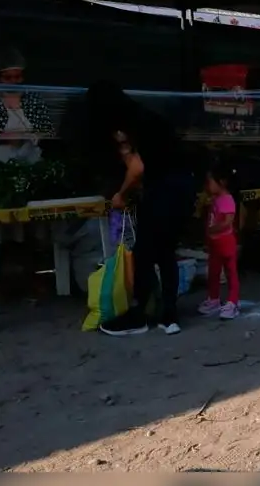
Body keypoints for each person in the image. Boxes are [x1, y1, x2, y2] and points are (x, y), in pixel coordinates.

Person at [85, 81, 198, 337]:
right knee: (166, 251)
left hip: (164, 189)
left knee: (143, 253)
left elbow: (137, 168)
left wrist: (121, 194)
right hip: (184, 186)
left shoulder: (123, 125)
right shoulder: (146, 116)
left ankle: (139, 315)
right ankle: (169, 316)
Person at [0, 47, 53, 167]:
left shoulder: (32, 99)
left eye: (17, 77)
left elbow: (48, 130)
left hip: (30, 160)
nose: (14, 82)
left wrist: (37, 135)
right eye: (7, 78)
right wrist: (0, 138)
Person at [197, 159, 241, 320]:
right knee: (213, 272)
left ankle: (232, 302)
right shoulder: (214, 199)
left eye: (210, 182)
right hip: (214, 243)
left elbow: (227, 221)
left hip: (225, 241)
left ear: (221, 182)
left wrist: (213, 229)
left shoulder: (227, 199)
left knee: (230, 272)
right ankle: (214, 298)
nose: (207, 186)